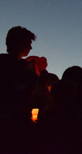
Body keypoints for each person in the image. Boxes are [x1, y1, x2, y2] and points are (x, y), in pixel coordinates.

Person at [0, 26, 39, 154]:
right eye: (28, 43)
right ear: (20, 44)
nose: (31, 48)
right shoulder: (10, 67)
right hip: (11, 126)